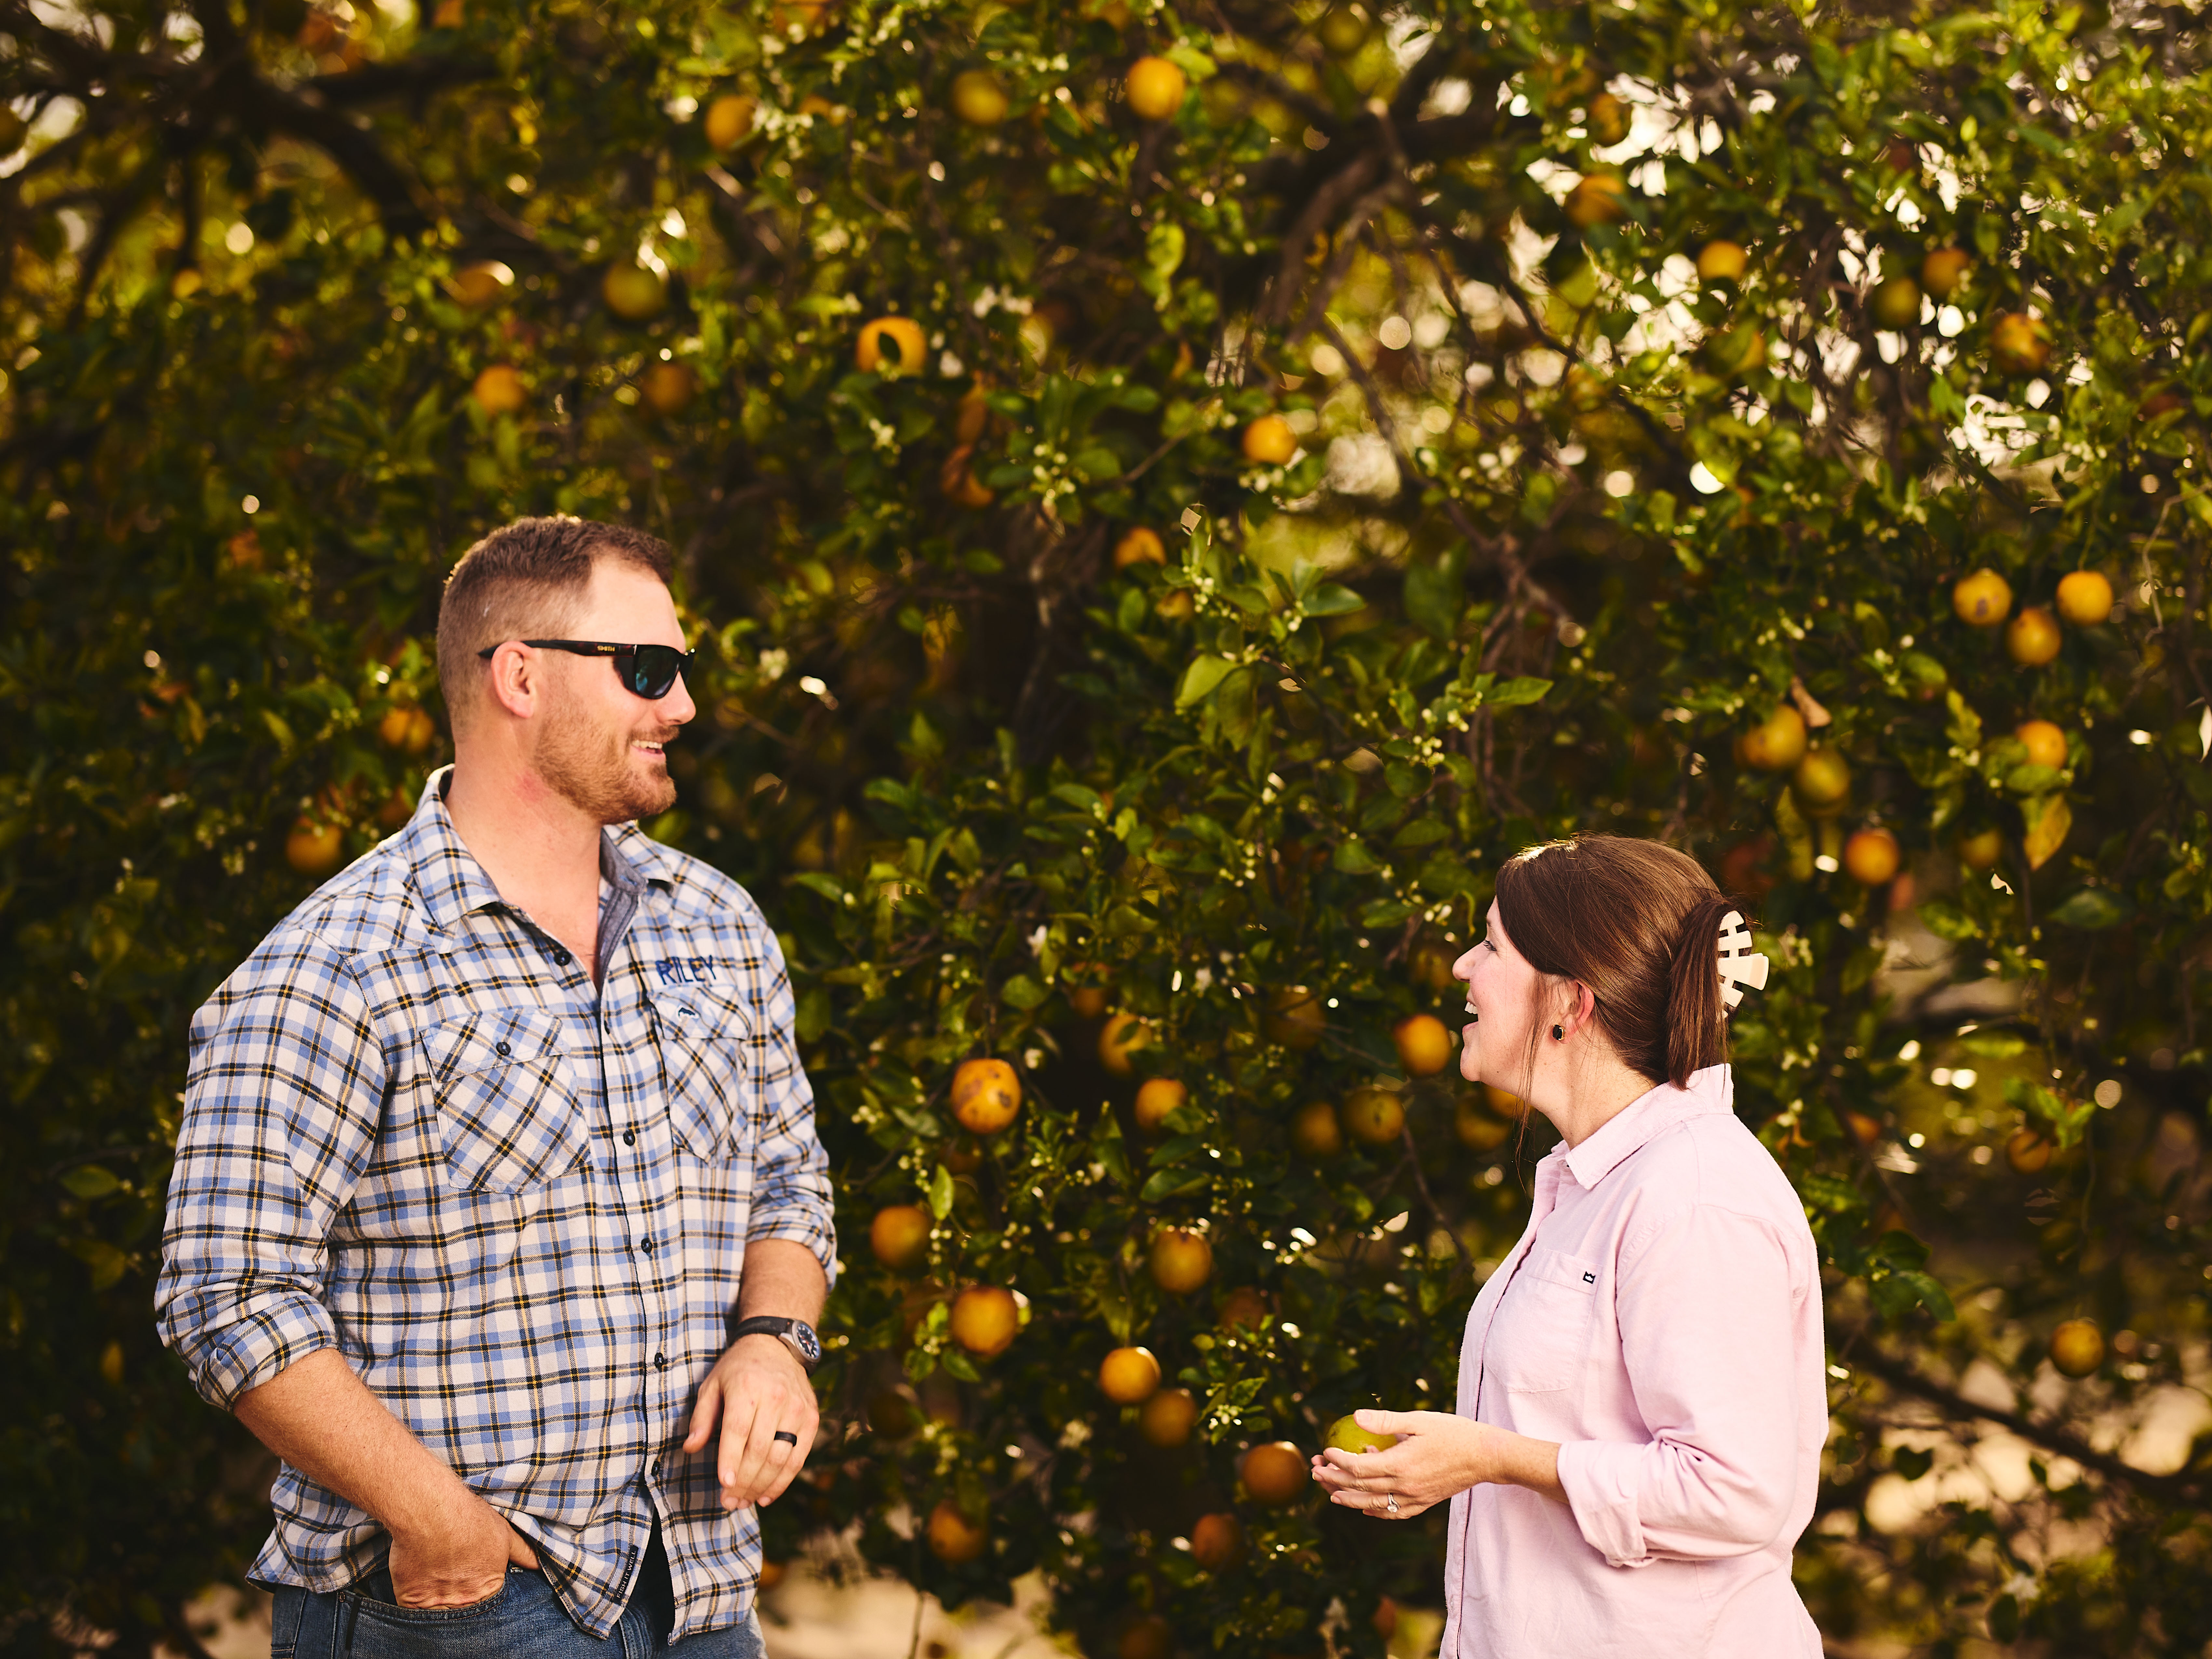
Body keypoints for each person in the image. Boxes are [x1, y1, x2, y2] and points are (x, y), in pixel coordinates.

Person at [156, 517, 836, 1657]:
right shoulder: (333, 968)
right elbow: (228, 1292)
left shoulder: (720, 927)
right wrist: (441, 1526)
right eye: (648, 669)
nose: (683, 707)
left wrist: (774, 1337)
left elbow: (787, 1178)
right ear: (519, 675)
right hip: (459, 1607)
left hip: (701, 1593)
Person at [1311, 835, 1824, 1658]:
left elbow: (1733, 1490)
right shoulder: (1595, 1182)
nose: (1458, 968)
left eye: (1489, 945)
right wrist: (1454, 1462)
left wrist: (1487, 1455)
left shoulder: (1694, 1197)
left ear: (1569, 1001)